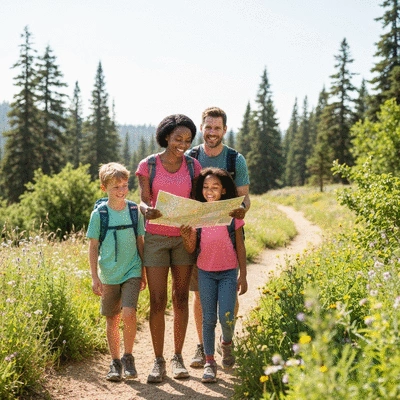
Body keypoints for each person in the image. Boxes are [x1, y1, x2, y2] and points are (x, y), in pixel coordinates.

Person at [135, 114, 202, 384]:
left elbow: (197, 201)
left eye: (187, 139)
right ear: (166, 137)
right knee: (158, 301)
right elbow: (141, 200)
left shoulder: (193, 167)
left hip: (184, 237)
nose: (183, 144)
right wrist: (145, 210)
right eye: (178, 138)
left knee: (181, 298)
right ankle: (158, 361)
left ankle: (177, 358)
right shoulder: (148, 165)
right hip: (156, 239)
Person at [186, 106, 251, 368]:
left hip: (228, 234)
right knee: (200, 295)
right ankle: (203, 346)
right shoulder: (190, 157)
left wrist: (240, 211)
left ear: (224, 130)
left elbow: (245, 197)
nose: (212, 132)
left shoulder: (236, 160)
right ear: (202, 129)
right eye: (208, 127)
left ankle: (227, 340)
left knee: (229, 298)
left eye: (217, 128)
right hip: (198, 235)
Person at [180, 167, 248, 383]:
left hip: (228, 272)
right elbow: (191, 248)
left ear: (224, 190)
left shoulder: (231, 212)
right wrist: (185, 236)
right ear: (201, 190)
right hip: (205, 273)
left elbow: (240, 245)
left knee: (226, 317)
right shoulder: (196, 214)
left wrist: (243, 275)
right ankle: (210, 362)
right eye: (206, 187)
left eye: (215, 187)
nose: (210, 190)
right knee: (208, 319)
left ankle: (226, 343)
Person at [87, 162, 146, 382]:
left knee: (129, 313)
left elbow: (141, 242)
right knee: (112, 319)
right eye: (116, 187)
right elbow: (93, 247)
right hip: (109, 274)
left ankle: (128, 356)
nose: (121, 191)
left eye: (124, 185)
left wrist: (144, 271)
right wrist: (95, 277)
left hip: (132, 269)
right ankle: (115, 361)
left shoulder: (134, 211)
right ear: (104, 188)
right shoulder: (99, 215)